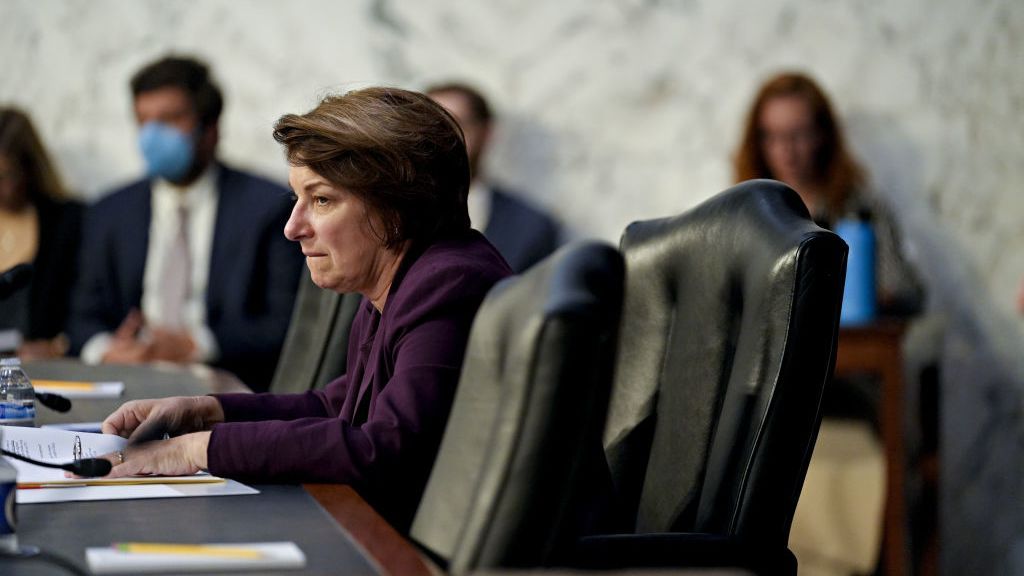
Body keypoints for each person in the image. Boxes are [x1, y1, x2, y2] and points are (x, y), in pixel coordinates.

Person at [98, 87, 513, 532]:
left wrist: (194, 450)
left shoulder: (447, 284)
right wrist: (205, 411)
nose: (293, 227)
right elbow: (335, 404)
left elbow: (384, 449)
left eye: (321, 200)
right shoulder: (408, 278)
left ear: (395, 208)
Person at [66, 56, 303, 391]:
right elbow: (80, 317)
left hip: (227, 388)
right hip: (125, 385)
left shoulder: (268, 207)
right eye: (143, 121)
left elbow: (288, 324)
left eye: (169, 119)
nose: (152, 135)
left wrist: (196, 345)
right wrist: (107, 350)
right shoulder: (109, 212)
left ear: (210, 127)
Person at [734, 71, 924, 315]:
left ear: (822, 134)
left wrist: (859, 294)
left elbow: (907, 291)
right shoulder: (747, 213)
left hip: (851, 347)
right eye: (773, 136)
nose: (787, 149)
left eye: (799, 134)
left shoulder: (859, 208)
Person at [427, 82, 560, 272]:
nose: (441, 135)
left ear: (486, 132)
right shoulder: (387, 217)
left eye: (456, 123)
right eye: (430, 124)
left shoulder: (531, 227)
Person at [0, 108, 83, 359]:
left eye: (6, 176)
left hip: (39, 373)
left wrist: (59, 346)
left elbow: (85, 306)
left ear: (29, 169)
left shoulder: (66, 223)